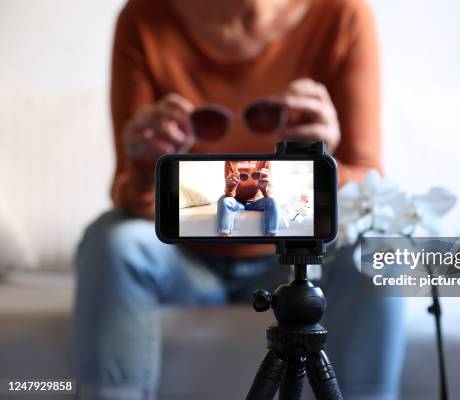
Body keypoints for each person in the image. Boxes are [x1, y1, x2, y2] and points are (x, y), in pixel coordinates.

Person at [74, 0, 405, 399]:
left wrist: (323, 164)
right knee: (113, 240)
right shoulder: (143, 18)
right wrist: (146, 167)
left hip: (299, 262)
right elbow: (132, 196)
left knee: (383, 245)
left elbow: (367, 183)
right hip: (184, 259)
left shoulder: (342, 15)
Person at [217, 160, 278, 236]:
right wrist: (230, 186)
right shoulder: (230, 162)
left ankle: (270, 239)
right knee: (224, 200)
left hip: (257, 202)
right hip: (237, 202)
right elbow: (229, 194)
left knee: (272, 201)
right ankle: (225, 237)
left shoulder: (265, 161)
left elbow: (269, 194)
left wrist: (264, 188)